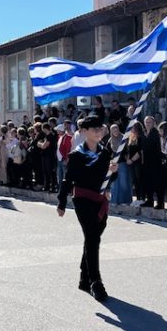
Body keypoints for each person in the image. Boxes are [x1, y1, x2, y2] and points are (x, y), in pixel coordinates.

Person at [57, 115, 118, 302]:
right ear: (84, 132)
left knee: (93, 237)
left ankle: (84, 277)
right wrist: (61, 202)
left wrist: (113, 171)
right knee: (92, 238)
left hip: (100, 200)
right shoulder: (77, 155)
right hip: (83, 199)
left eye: (100, 129)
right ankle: (95, 282)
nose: (99, 132)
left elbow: (108, 178)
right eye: (94, 129)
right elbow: (68, 180)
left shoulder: (105, 152)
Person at [107, 124, 132, 205]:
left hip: (122, 163)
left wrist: (128, 158)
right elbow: (107, 152)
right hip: (114, 164)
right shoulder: (110, 140)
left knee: (123, 183)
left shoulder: (124, 138)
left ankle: (125, 201)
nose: (115, 131)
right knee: (114, 183)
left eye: (116, 129)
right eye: (113, 130)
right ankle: (115, 201)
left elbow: (128, 150)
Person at [141, 116, 163, 208]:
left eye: (149, 122)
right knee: (147, 182)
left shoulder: (156, 133)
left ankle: (160, 202)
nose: (148, 124)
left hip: (156, 161)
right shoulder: (143, 133)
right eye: (146, 122)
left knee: (157, 182)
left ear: (153, 123)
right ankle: (149, 200)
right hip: (146, 161)